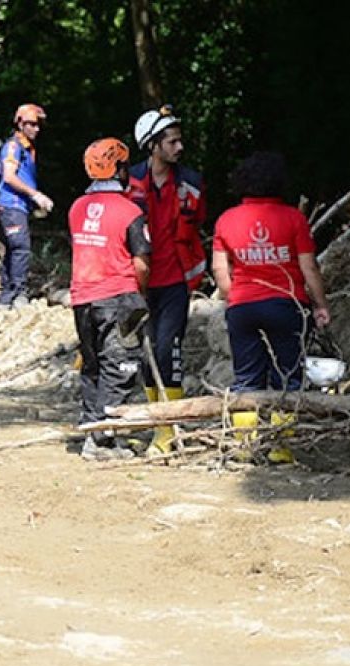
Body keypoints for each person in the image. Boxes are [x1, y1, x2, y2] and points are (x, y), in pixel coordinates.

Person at [211, 151, 331, 393]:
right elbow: (309, 267)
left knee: (246, 382)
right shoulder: (294, 218)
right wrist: (320, 305)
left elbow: (219, 269)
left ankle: (245, 418)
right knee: (289, 379)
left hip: (243, 307)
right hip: (286, 306)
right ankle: (286, 418)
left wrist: (233, 297)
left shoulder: (226, 220)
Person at [129, 104, 206, 455]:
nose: (179, 147)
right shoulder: (129, 182)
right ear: (152, 145)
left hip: (176, 279)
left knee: (168, 349)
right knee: (146, 354)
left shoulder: (191, 182)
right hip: (139, 281)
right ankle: (156, 422)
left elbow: (197, 223)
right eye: (172, 142)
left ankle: (167, 430)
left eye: (179, 140)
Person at [69, 138, 152, 461]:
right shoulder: (131, 211)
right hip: (118, 297)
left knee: (92, 365)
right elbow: (141, 262)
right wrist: (140, 294)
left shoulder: (77, 208)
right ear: (119, 169)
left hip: (82, 298)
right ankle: (102, 438)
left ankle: (92, 428)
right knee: (121, 366)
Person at [0, 103, 53, 309]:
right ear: (20, 124)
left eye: (38, 125)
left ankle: (6, 298)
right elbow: (9, 177)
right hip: (11, 205)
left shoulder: (27, 149)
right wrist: (36, 195)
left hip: (17, 206)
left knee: (12, 249)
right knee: (20, 248)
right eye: (31, 124)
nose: (36, 129)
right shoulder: (13, 147)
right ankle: (18, 295)